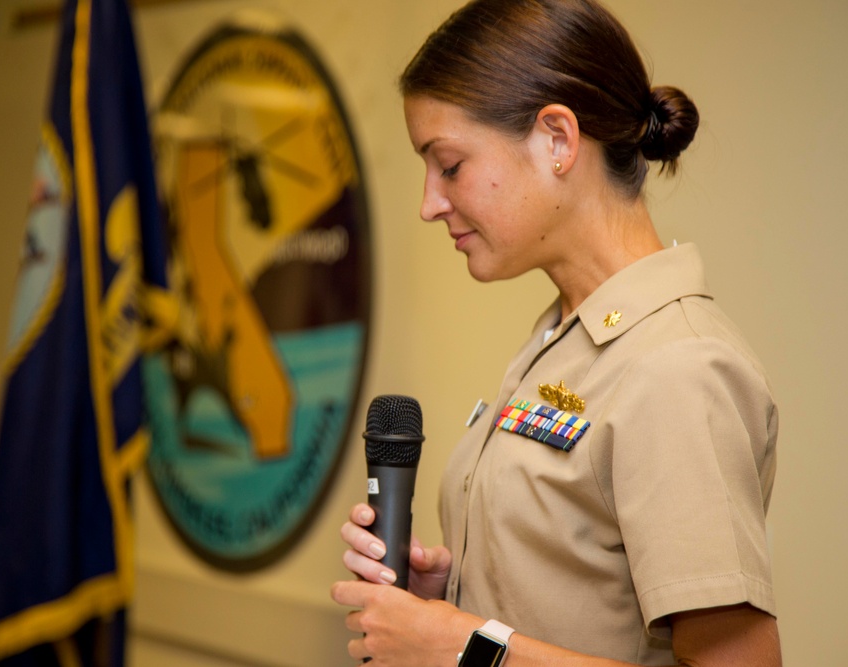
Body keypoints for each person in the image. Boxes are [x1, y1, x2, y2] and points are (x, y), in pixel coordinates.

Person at [331, 1, 782, 665]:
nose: (429, 203)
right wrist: (448, 601)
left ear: (557, 140)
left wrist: (463, 646)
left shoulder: (677, 366)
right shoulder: (564, 335)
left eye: (449, 164)